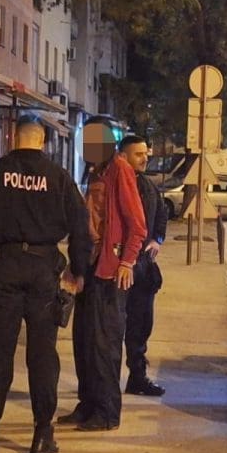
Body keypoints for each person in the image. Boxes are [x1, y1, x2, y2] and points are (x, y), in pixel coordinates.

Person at [0, 113, 90, 453]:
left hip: (5, 268)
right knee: (43, 356)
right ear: (43, 141)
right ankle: (42, 435)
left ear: (11, 137)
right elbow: (81, 224)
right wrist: (77, 269)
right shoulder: (59, 177)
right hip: (44, 271)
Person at [58, 122, 147, 431]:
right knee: (84, 341)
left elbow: (137, 224)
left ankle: (107, 412)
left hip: (109, 272)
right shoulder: (97, 171)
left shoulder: (119, 170)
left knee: (104, 344)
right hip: (90, 268)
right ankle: (88, 404)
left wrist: (127, 262)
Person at [119, 135, 168, 397]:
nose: (145, 158)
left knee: (140, 325)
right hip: (118, 266)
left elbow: (161, 215)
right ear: (123, 156)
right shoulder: (113, 183)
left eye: (145, 153)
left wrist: (157, 240)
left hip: (142, 267)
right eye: (138, 154)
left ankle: (137, 377)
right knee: (113, 327)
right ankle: (104, 383)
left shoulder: (149, 186)